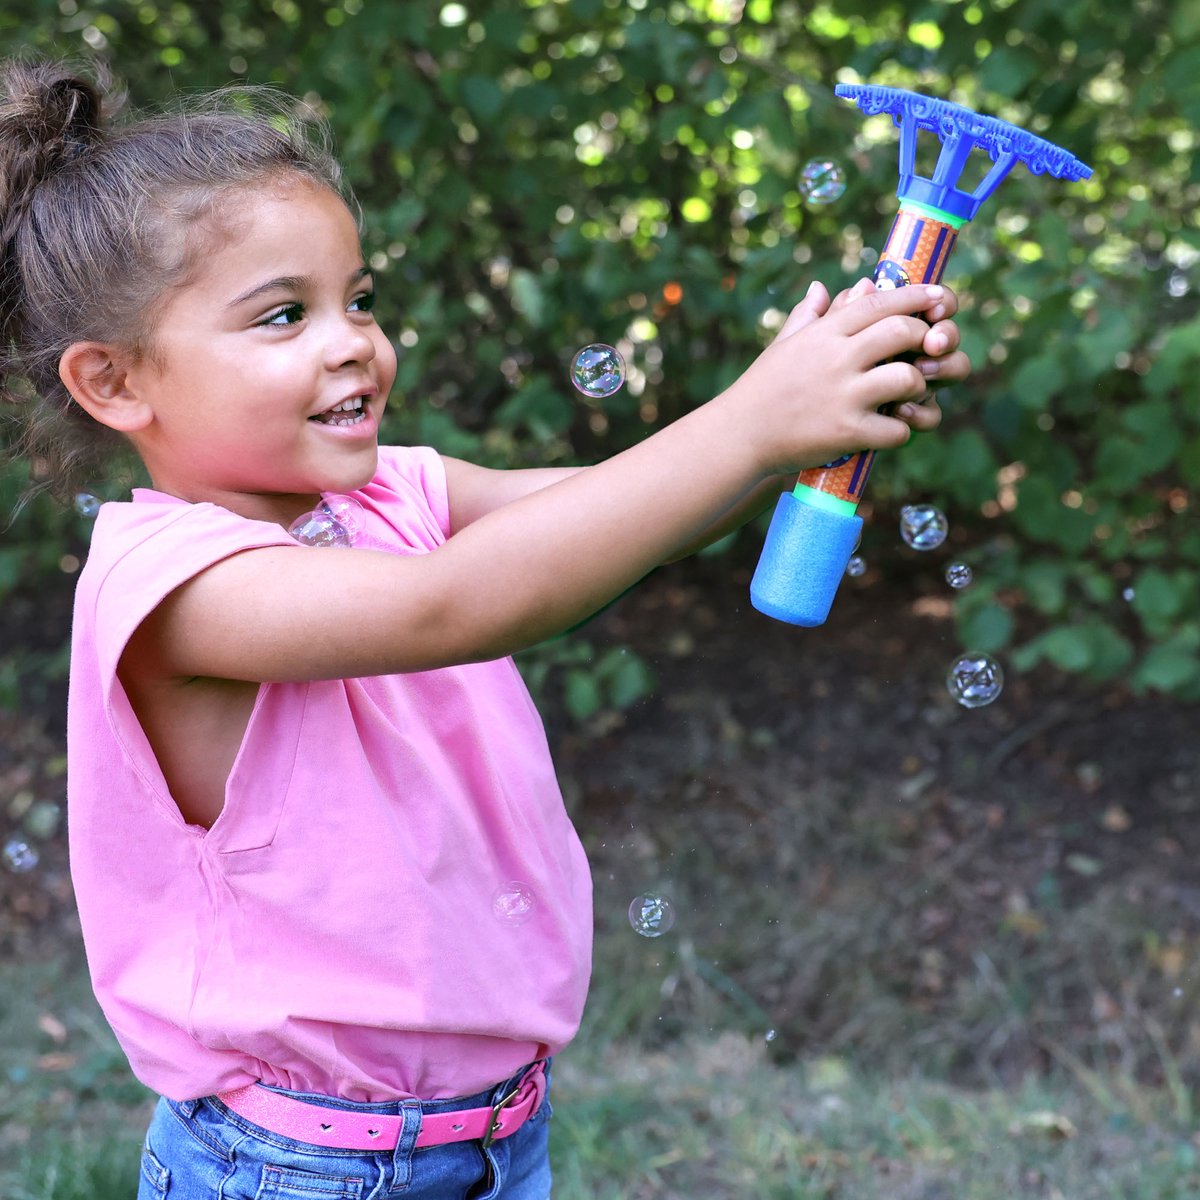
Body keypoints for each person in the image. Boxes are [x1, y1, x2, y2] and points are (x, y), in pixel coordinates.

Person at [0, 58, 970, 1200]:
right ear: (114, 383)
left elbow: (617, 513)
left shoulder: (391, 493)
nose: (354, 339)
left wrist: (804, 412)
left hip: (498, 1136)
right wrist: (754, 421)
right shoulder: (175, 586)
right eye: (283, 315)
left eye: (358, 298)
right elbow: (453, 603)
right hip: (296, 1165)